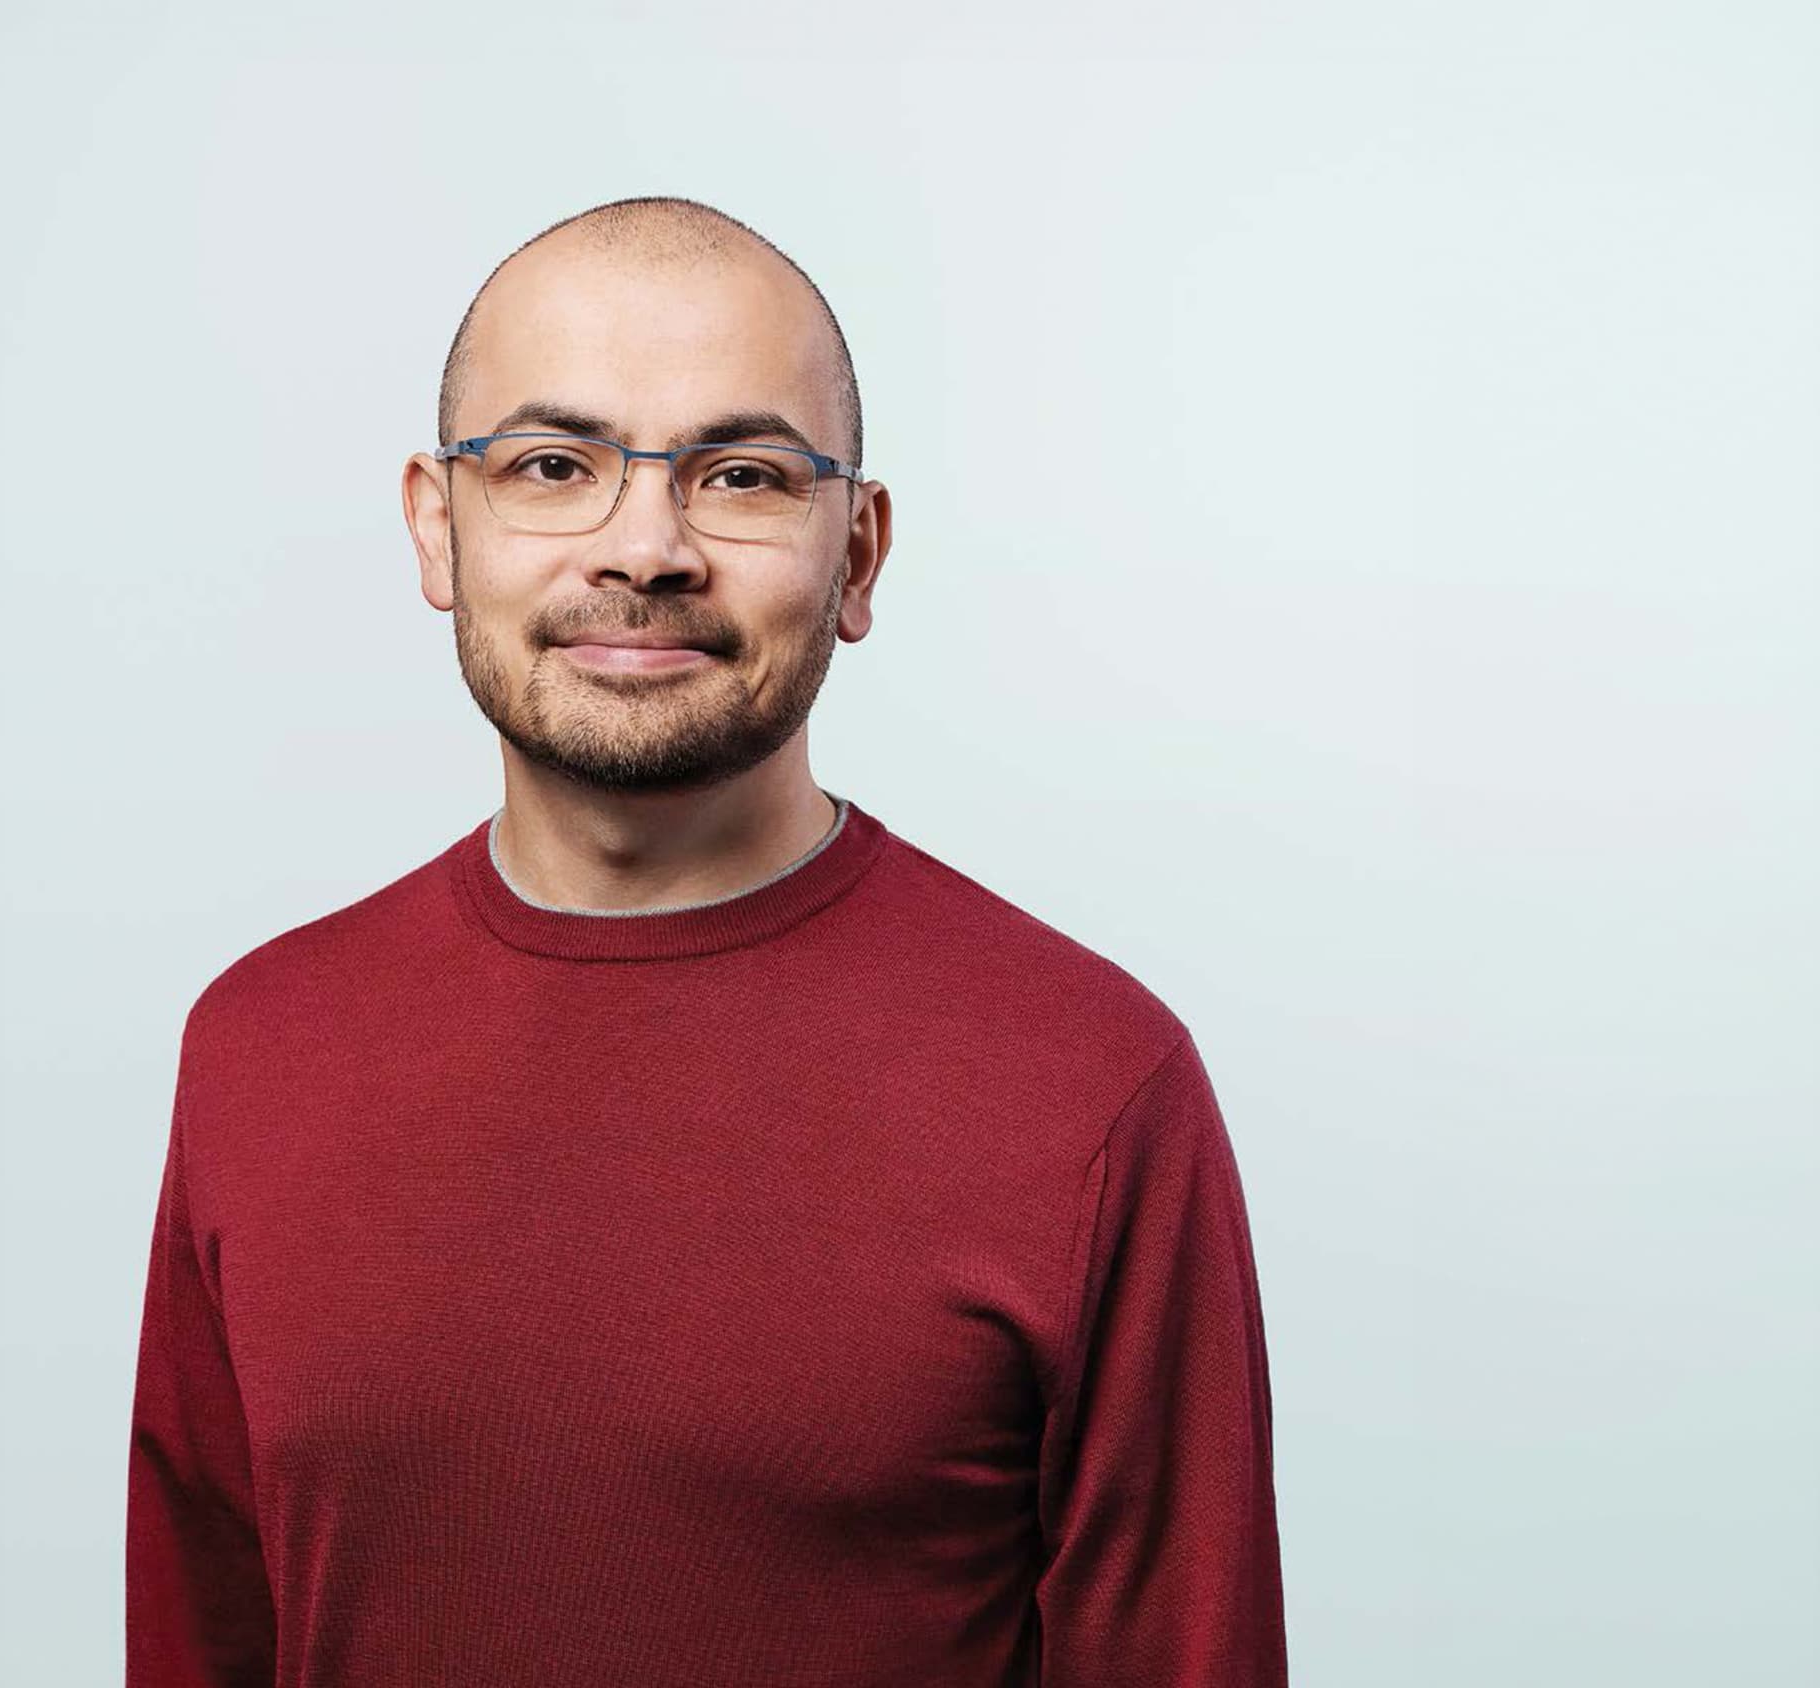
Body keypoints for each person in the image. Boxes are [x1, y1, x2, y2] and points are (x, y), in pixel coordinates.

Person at [126, 195, 1287, 1686]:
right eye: (554, 467)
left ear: (856, 552)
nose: (645, 548)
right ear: (439, 526)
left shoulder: (1088, 1086)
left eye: (740, 476)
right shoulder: (259, 1048)